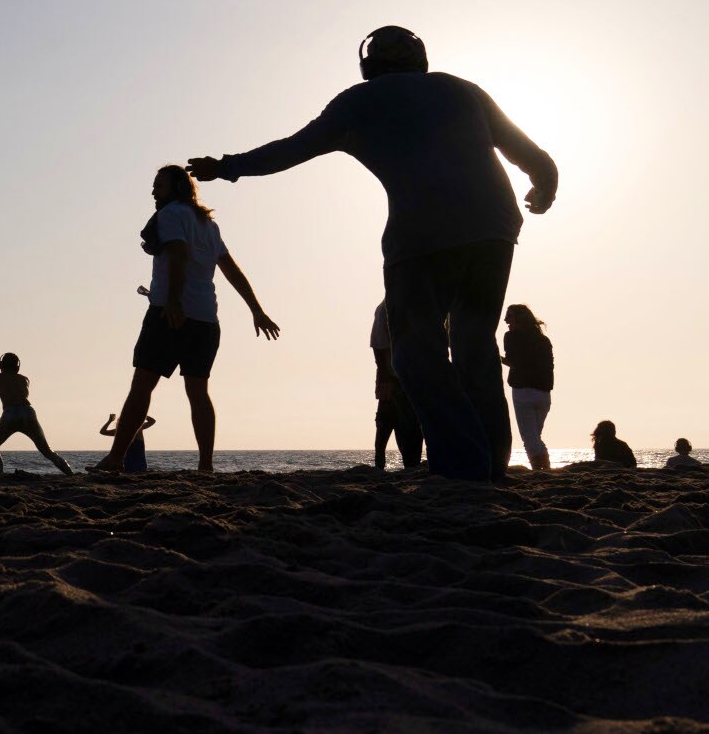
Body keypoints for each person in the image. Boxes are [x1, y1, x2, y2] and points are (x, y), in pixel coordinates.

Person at [189, 27, 557, 481]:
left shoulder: (358, 102)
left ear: (368, 64)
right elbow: (531, 154)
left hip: (421, 237)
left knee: (415, 352)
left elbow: (290, 150)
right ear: (420, 57)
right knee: (474, 341)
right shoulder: (463, 89)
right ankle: (491, 464)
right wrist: (544, 187)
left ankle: (463, 464)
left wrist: (225, 167)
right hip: (495, 229)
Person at [95, 166, 280, 474]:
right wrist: (256, 309)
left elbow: (178, 254)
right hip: (206, 321)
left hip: (170, 314)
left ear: (178, 187)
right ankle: (206, 465)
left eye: (159, 185)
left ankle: (116, 459)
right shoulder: (209, 225)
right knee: (198, 392)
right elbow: (231, 269)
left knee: (142, 386)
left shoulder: (171, 215)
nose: (154, 191)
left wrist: (172, 300)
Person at [0, 353, 73, 475]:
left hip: (10, 413)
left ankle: (0, 475)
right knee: (46, 450)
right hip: (28, 412)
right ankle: (69, 473)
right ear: (17, 366)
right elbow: (24, 394)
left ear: (0, 365)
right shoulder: (24, 379)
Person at [371, 302, 423, 470]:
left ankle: (409, 464)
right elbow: (378, 344)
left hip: (406, 376)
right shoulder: (385, 308)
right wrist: (385, 375)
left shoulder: (404, 305)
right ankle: (384, 465)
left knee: (405, 424)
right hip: (394, 377)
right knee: (391, 422)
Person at [503, 304, 554, 471]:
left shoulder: (512, 337)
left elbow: (512, 361)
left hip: (523, 391)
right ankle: (544, 468)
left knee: (529, 438)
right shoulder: (543, 340)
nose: (506, 321)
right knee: (535, 437)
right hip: (544, 393)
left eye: (509, 317)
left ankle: (540, 469)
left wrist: (495, 357)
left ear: (518, 318)